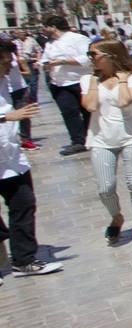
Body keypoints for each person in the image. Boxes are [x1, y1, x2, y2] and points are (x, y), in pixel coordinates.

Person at [81, 40, 132, 250]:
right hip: (101, 139)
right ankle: (117, 217)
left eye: (94, 54)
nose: (90, 58)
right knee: (105, 188)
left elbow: (124, 101)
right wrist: (95, 81)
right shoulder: (88, 79)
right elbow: (90, 105)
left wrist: (121, 81)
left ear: (110, 55)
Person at [0, 40, 62, 279]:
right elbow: (9, 115)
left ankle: (24, 260)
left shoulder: (5, 81)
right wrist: (6, 117)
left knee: (24, 204)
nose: (10, 66)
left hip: (11, 159)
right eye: (5, 62)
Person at [38, 16, 91, 156]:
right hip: (59, 84)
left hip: (80, 81)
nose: (44, 29)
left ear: (53, 27)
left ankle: (91, 137)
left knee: (87, 111)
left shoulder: (78, 39)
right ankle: (78, 141)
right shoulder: (50, 43)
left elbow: (87, 58)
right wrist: (43, 64)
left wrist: (62, 62)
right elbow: (45, 59)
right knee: (69, 112)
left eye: (46, 26)